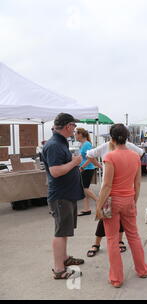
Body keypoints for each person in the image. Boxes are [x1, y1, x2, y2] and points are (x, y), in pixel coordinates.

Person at [96, 124, 147, 288]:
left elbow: (107, 186)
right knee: (133, 235)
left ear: (111, 139)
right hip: (128, 199)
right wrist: (134, 201)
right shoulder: (135, 156)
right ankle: (142, 269)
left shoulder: (110, 157)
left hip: (112, 201)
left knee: (112, 239)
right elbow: (138, 183)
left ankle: (116, 278)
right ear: (127, 138)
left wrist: (99, 206)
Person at [80, 139, 144, 258]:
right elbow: (89, 154)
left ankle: (118, 242)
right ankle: (97, 243)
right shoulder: (106, 148)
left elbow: (140, 153)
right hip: (111, 192)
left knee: (120, 223)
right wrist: (99, 165)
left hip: (122, 191)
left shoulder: (128, 147)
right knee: (104, 220)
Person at [42, 113, 85, 280]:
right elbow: (55, 171)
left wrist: (73, 164)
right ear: (68, 126)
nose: (75, 130)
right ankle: (59, 269)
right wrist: (74, 163)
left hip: (66, 194)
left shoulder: (59, 142)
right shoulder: (54, 145)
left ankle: (64, 258)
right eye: (74, 127)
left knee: (64, 230)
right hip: (61, 195)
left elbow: (60, 167)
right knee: (60, 232)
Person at [75, 128, 98, 216]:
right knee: (84, 189)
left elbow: (90, 158)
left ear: (80, 134)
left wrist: (82, 167)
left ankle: (99, 201)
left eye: (76, 134)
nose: (75, 136)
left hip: (87, 169)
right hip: (86, 168)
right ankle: (86, 208)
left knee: (84, 188)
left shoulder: (86, 144)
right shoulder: (83, 144)